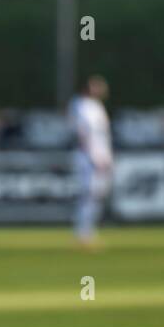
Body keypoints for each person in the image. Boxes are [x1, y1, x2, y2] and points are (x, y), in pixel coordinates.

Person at [69, 75, 112, 249]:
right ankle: (83, 234)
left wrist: (105, 156)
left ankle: (88, 231)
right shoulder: (80, 105)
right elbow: (84, 134)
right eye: (97, 86)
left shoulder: (96, 106)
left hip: (100, 154)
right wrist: (94, 156)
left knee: (98, 194)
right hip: (88, 156)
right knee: (88, 194)